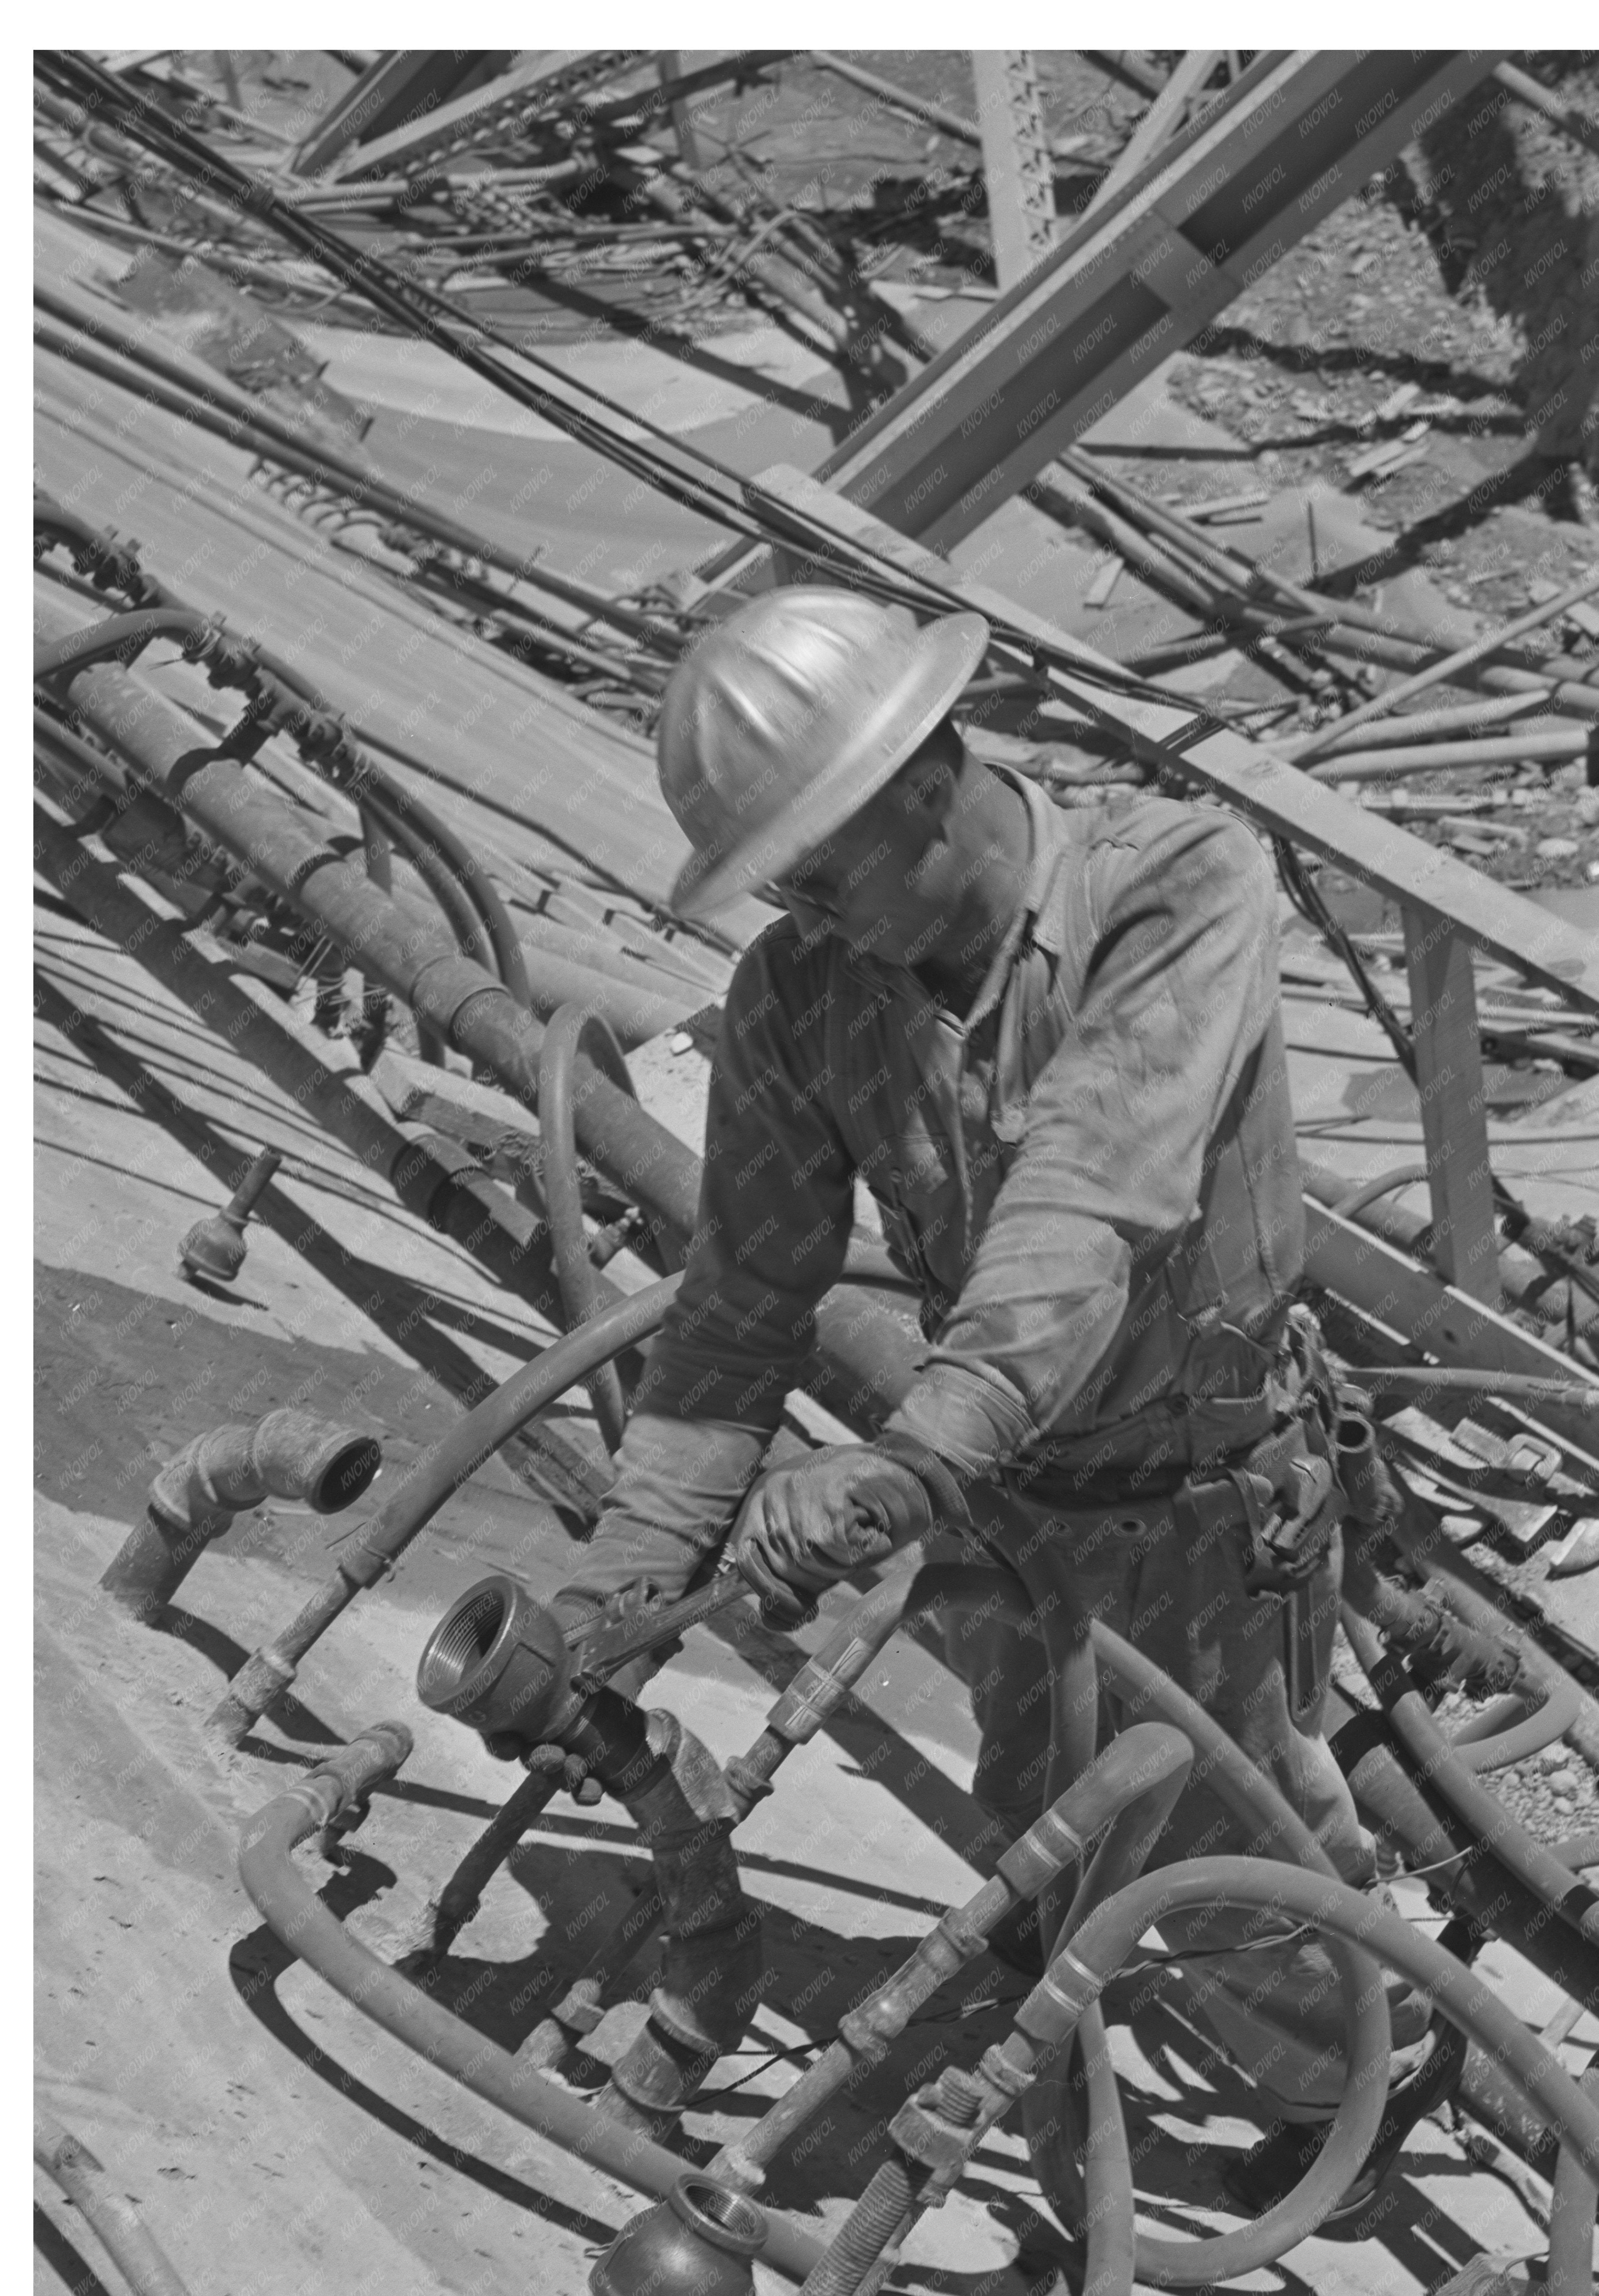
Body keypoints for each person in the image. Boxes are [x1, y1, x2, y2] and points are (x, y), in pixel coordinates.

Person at [559, 584, 1428, 2151]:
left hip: (1200, 1492)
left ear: (924, 781)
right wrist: (610, 1613)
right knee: (1045, 1817)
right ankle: (1093, 2021)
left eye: (818, 875)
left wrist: (911, 1453)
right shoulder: (799, 997)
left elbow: (1088, 1195)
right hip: (1020, 1493)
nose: (803, 917)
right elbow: (739, 1311)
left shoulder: (1177, 881)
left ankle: (1356, 2117)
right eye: (778, 888)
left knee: (1231, 1859)